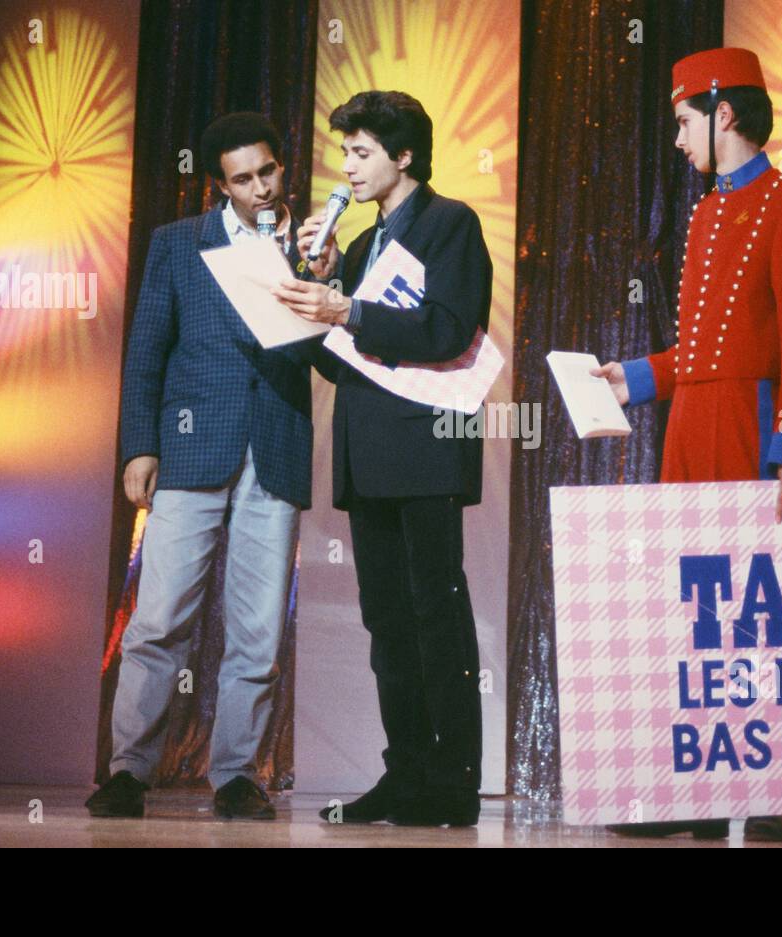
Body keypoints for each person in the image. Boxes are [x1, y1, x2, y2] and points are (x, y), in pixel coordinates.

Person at [592, 48, 782, 842]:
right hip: (691, 427)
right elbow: (701, 353)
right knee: (696, 612)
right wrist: (629, 377)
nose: (677, 139)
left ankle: (767, 799)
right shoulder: (706, 211)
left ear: (722, 113)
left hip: (749, 425)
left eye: (682, 121)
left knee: (757, 615)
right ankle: (696, 795)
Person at [87, 112, 334, 820]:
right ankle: (130, 769)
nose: (260, 187)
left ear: (284, 168)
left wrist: (321, 281)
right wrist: (140, 445)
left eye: (268, 171)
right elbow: (146, 353)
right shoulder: (177, 244)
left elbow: (326, 358)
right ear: (218, 186)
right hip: (192, 447)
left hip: (275, 446)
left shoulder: (313, 247)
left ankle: (238, 775)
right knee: (159, 617)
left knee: (257, 629)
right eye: (243, 178)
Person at [274, 90, 492, 827]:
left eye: (362, 151)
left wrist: (349, 311)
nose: (348, 167)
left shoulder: (449, 224)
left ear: (405, 156)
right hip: (368, 454)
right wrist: (311, 293)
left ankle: (452, 780)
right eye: (344, 152)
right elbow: (343, 363)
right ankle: (404, 773)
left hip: (426, 452)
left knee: (437, 615)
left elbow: (446, 330)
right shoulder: (362, 246)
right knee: (387, 622)